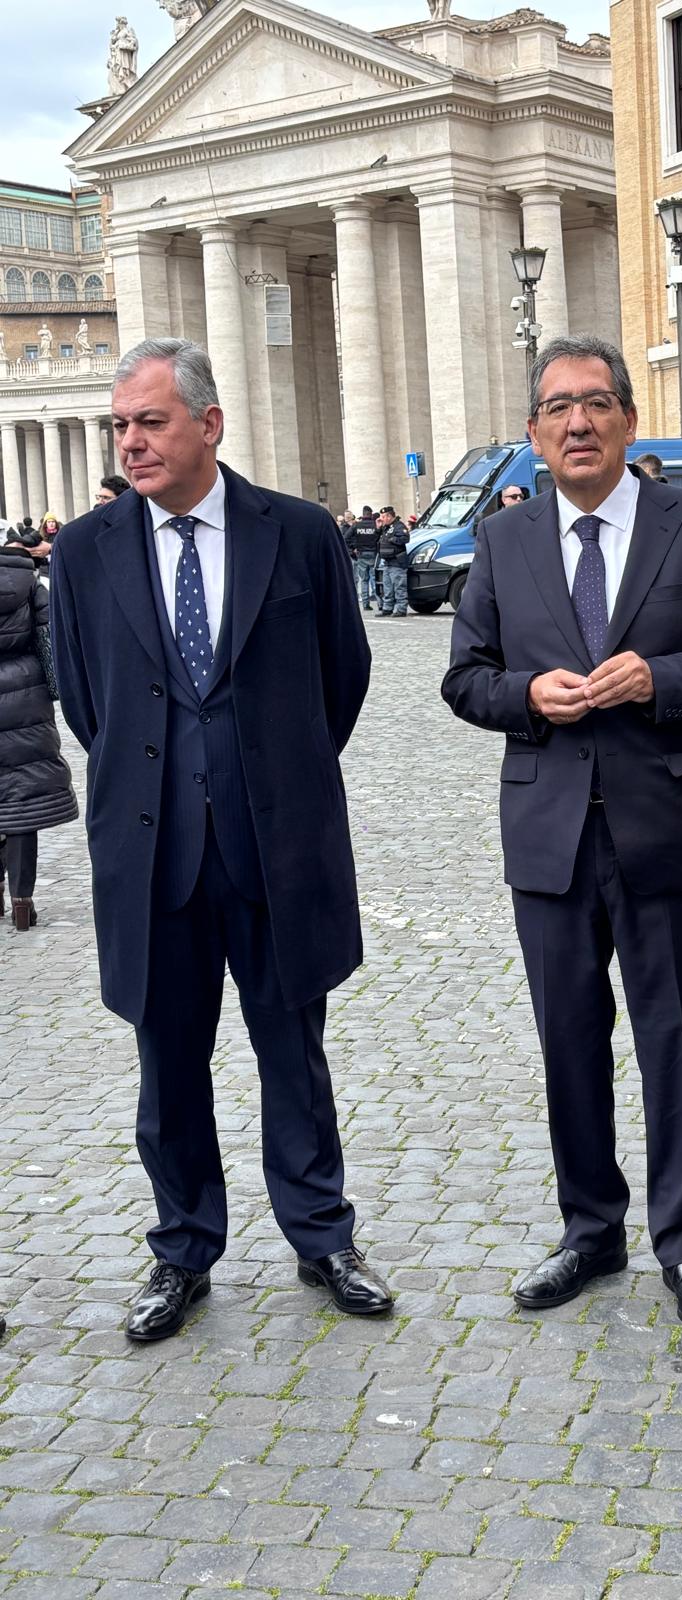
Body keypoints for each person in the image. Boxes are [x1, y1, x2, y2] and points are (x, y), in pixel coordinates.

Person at [50, 337, 392, 1343]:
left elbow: (342, 677)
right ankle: (182, 1247)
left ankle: (322, 1234)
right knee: (170, 1065)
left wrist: (268, 781)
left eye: (150, 421)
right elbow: (87, 701)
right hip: (150, 854)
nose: (132, 443)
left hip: (276, 849)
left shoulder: (297, 533)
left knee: (296, 1054)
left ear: (209, 423)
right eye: (122, 426)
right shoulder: (84, 550)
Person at [443, 334, 682, 1331]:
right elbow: (465, 678)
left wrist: (659, 678)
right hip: (548, 832)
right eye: (558, 409)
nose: (578, 423)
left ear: (629, 420)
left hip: (663, 825)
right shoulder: (502, 542)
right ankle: (591, 1230)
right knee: (569, 1041)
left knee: (674, 1039)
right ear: (537, 434)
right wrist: (529, 696)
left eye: (596, 404)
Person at [0, 544, 78, 930]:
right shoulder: (27, 580)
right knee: (22, 798)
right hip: (24, 694)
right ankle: (21, 899)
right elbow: (49, 640)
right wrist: (54, 688)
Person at [375, 505, 409, 616]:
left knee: (399, 587)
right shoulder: (385, 528)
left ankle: (401, 609)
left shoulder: (399, 526)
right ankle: (387, 608)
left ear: (389, 516)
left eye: (383, 517)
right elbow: (377, 540)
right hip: (387, 562)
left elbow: (405, 538)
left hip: (397, 562)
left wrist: (392, 539)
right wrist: (378, 528)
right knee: (387, 588)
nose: (382, 519)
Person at [347, 505, 380, 610]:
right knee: (375, 579)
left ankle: (365, 604)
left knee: (363, 580)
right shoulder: (375, 525)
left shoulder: (356, 525)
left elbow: (345, 538)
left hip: (361, 554)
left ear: (363, 514)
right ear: (370, 514)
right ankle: (380, 604)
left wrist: (351, 551)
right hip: (373, 554)